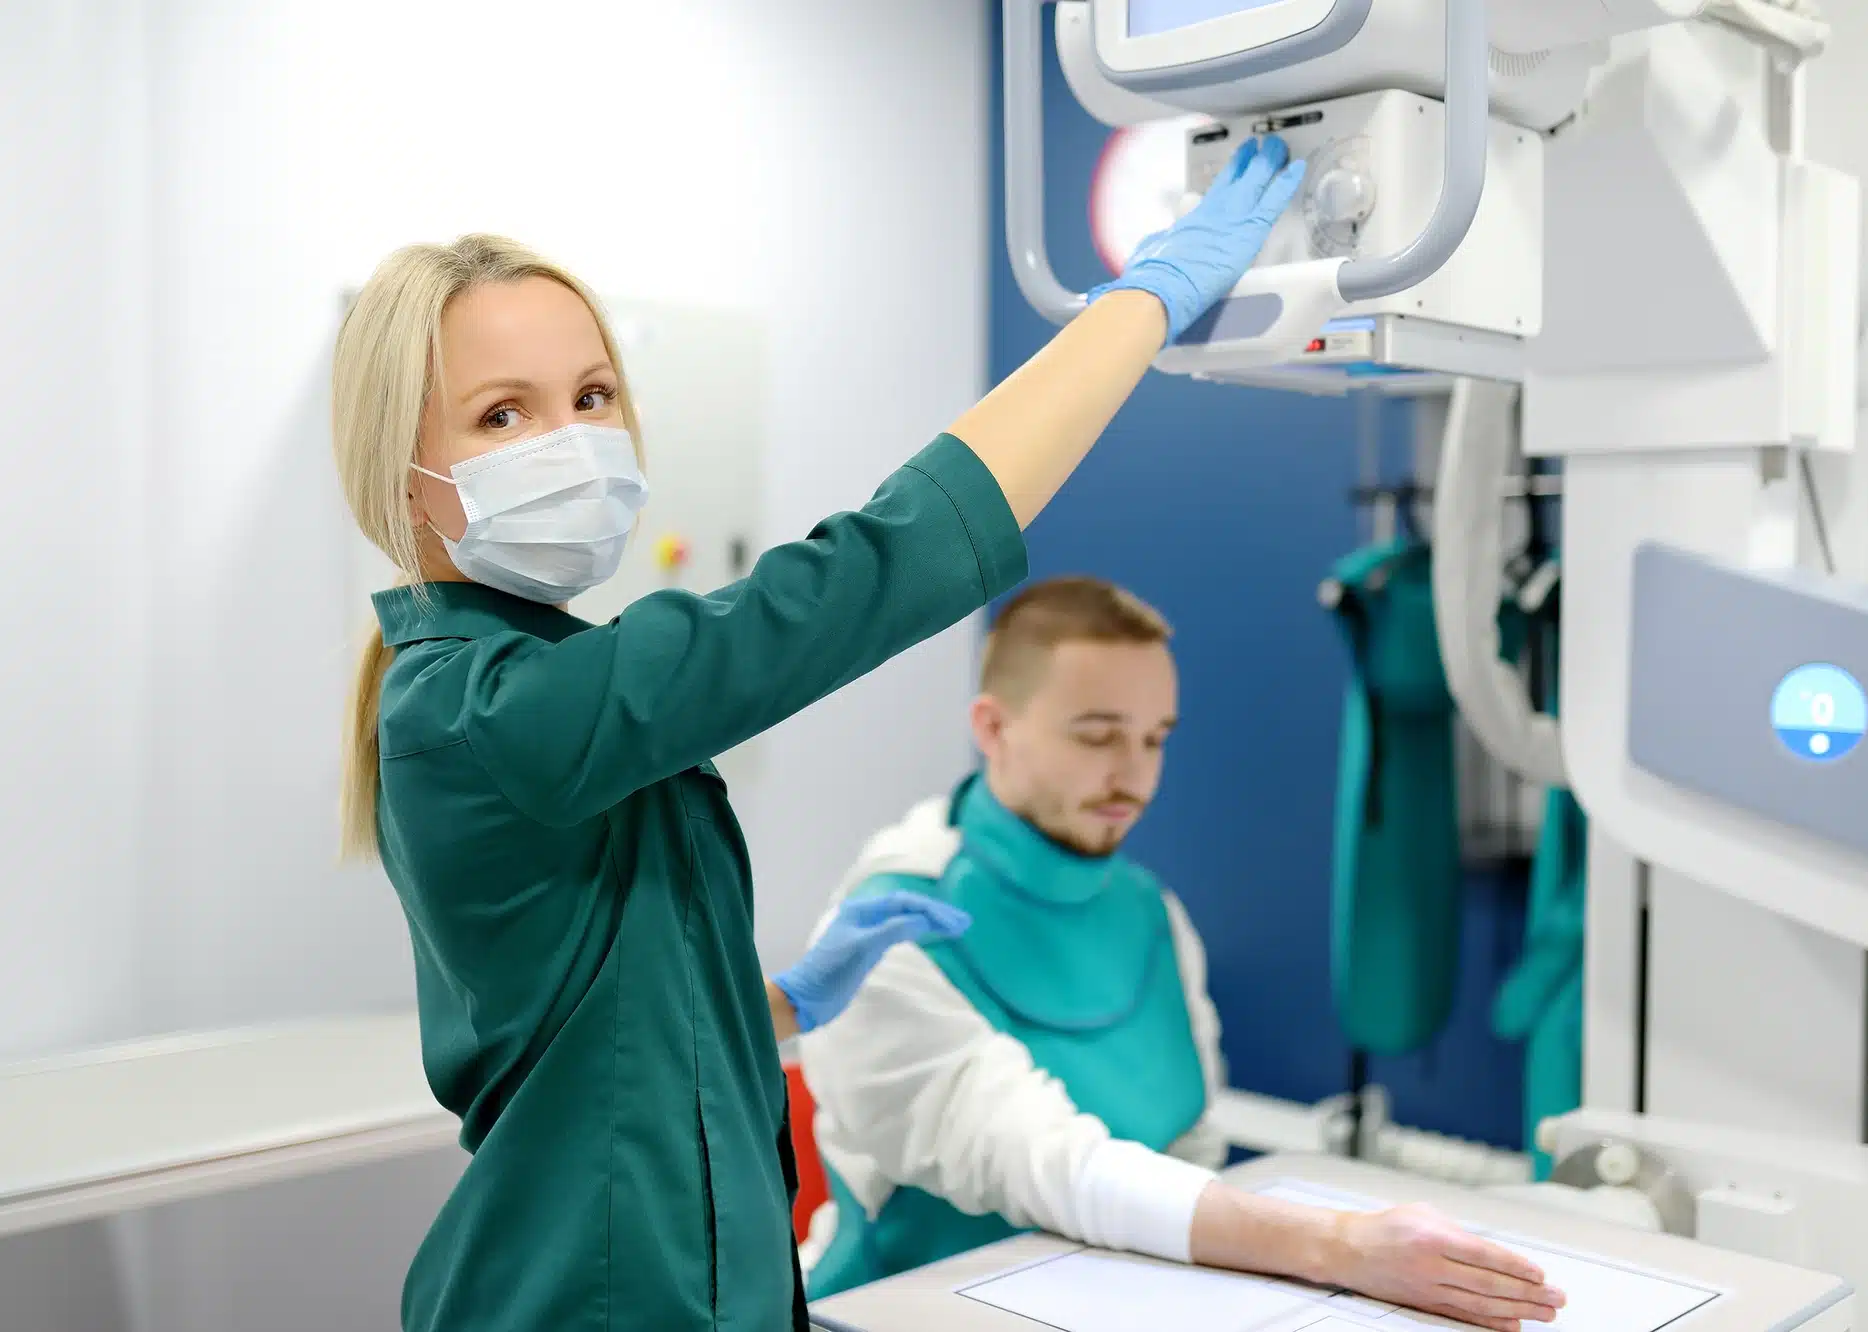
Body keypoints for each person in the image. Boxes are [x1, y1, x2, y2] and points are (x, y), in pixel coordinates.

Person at [330, 135, 1330, 1331]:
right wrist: (1138, 311)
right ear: (400, 479)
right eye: (504, 414)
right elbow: (860, 574)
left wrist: (777, 1006)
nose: (571, 441)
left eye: (592, 397)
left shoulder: (536, 680)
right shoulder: (480, 710)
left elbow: (588, 1041)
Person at [797, 577, 1565, 1332]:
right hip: (896, 1310)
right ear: (993, 728)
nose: (1133, 773)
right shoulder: (887, 930)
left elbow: (1190, 1145)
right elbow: (1046, 1164)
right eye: (1097, 735)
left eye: (1155, 738)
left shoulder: (1151, 915)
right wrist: (1337, 1246)